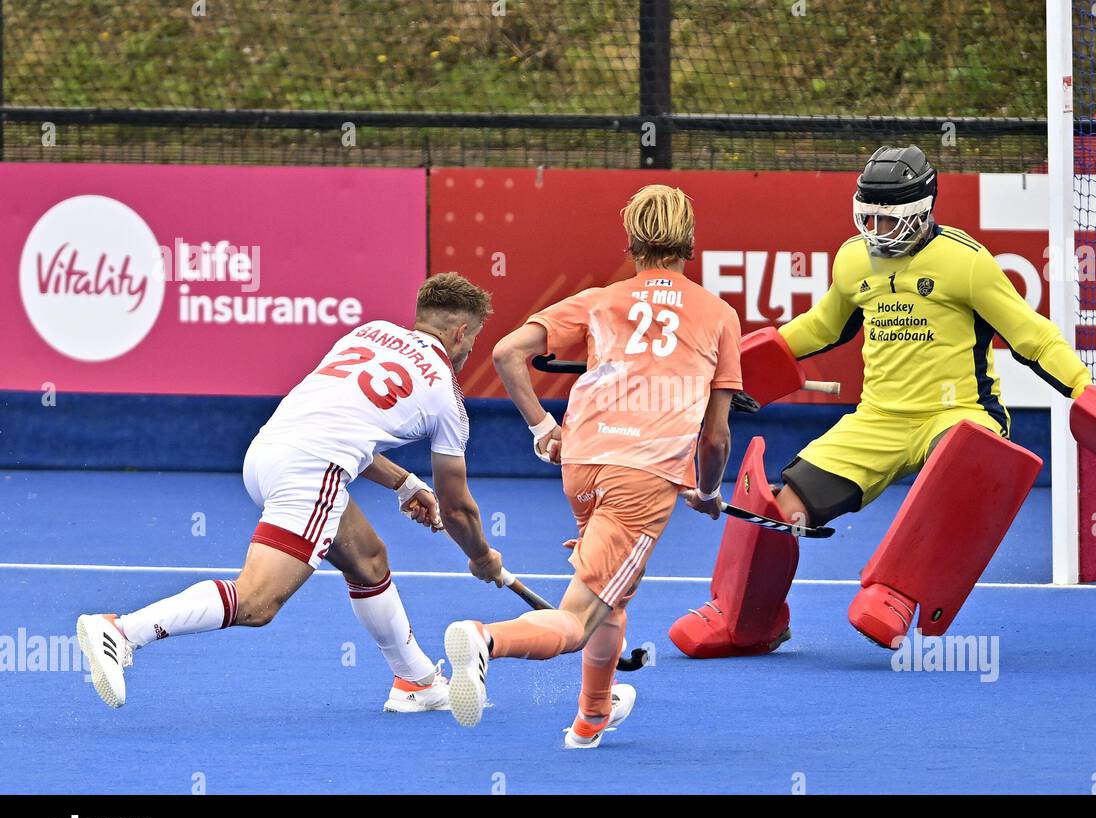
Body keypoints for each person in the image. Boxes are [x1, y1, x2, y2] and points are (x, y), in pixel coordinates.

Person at [671, 144, 1094, 657]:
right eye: (865, 217)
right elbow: (824, 326)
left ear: (921, 213)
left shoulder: (967, 263)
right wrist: (739, 366)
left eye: (887, 221)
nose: (874, 231)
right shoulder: (854, 260)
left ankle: (896, 592)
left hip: (959, 415)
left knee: (959, 465)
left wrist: (1083, 391)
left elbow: (1035, 338)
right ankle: (747, 619)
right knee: (779, 508)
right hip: (878, 420)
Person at [77, 272, 507, 713]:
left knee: (368, 559)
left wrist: (404, 482)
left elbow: (338, 426)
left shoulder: (371, 333)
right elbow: (457, 509)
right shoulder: (445, 394)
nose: (471, 350)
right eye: (474, 338)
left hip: (266, 452)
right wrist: (481, 557)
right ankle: (123, 630)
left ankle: (416, 682)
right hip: (310, 471)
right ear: (460, 332)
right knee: (258, 602)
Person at [443, 184, 743, 748]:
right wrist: (705, 492)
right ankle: (485, 639)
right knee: (579, 619)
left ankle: (592, 717)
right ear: (691, 243)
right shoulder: (720, 315)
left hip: (581, 460)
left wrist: (543, 428)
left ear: (631, 243)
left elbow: (507, 352)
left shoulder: (601, 300)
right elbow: (717, 436)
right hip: (645, 473)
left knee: (611, 594)